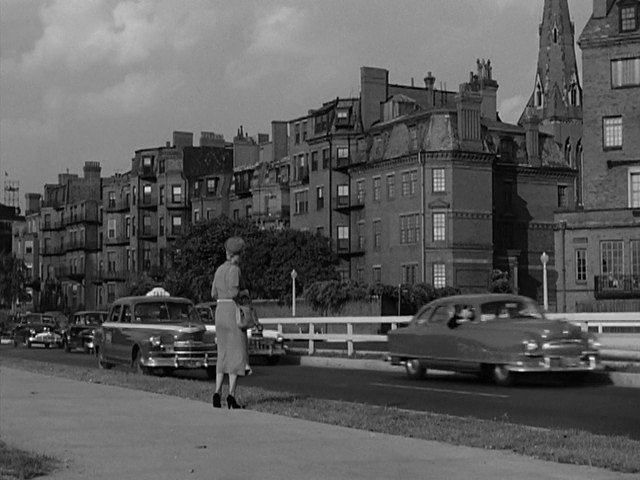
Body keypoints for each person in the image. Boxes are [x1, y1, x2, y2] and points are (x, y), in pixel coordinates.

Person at [210, 236, 250, 409]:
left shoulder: (219, 270)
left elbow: (213, 293)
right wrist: (244, 292)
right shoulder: (235, 270)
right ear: (237, 254)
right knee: (236, 354)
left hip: (219, 311)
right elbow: (234, 292)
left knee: (223, 353)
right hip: (232, 311)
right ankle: (231, 396)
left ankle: (216, 393)